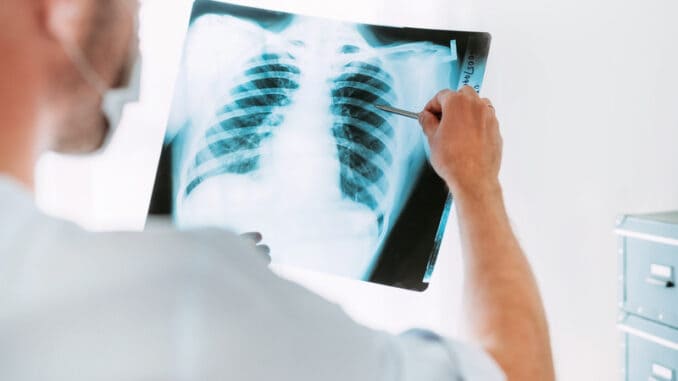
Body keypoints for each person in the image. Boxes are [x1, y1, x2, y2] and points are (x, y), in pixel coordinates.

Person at [0, 0, 555, 380]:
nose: (136, 24)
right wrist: (477, 183)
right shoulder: (188, 295)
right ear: (65, 9)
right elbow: (515, 373)